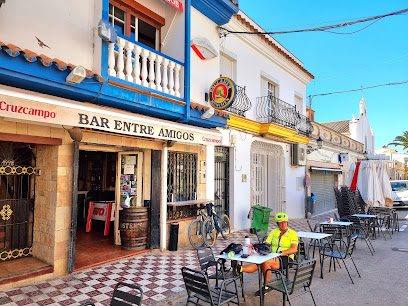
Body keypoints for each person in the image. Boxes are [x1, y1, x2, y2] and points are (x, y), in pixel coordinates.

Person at [235, 212, 298, 294]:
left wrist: (280, 253)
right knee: (260, 261)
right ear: (277, 224)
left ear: (287, 222)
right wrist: (259, 249)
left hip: (286, 258)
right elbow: (266, 244)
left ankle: (266, 286)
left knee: (265, 262)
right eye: (281, 222)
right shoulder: (273, 232)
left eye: (285, 222)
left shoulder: (292, 233)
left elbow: (294, 249)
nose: (283, 224)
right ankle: (239, 269)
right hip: (272, 256)